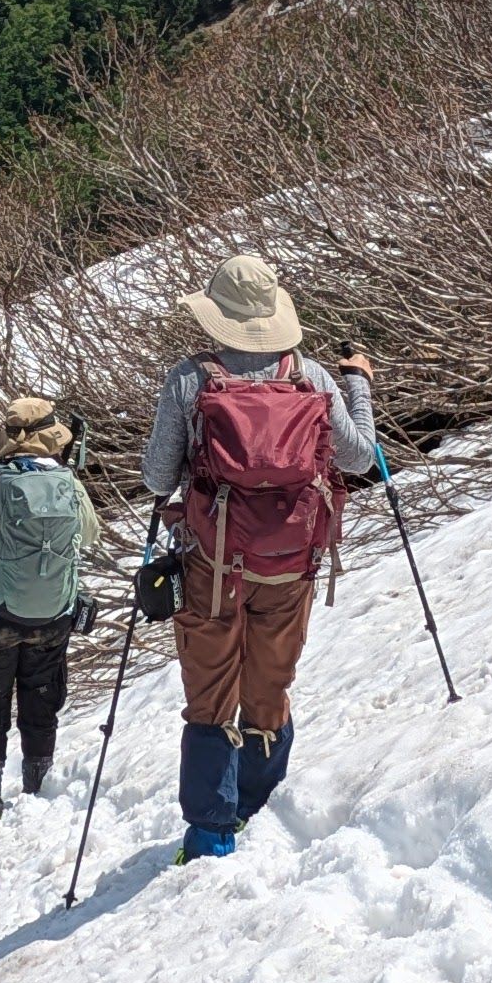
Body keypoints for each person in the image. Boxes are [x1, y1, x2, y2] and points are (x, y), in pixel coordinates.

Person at [138, 252, 376, 864]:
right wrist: (359, 385)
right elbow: (357, 458)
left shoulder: (192, 379)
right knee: (269, 685)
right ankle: (257, 806)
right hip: (290, 563)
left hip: (211, 565)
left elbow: (157, 474)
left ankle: (211, 832)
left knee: (211, 691)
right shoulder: (314, 377)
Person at [0, 393, 103, 826]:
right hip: (53, 616)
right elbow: (89, 535)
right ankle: (37, 788)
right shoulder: (69, 482)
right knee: (41, 698)